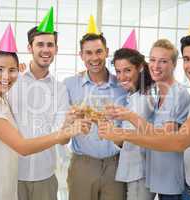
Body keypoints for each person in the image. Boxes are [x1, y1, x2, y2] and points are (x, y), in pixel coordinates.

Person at [99, 34, 190, 200]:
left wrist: (125, 129)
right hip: (187, 188)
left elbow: (176, 140)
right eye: (187, 59)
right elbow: (162, 134)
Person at [0, 47, 90, 200]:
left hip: (8, 184)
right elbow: (22, 147)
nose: (6, 76)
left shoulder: (2, 98)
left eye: (11, 70)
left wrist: (68, 124)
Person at [106, 39, 190, 200]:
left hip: (168, 180)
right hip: (156, 176)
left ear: (173, 64)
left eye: (163, 61)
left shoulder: (176, 94)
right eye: (153, 60)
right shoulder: (158, 93)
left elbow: (165, 138)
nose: (156, 65)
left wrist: (127, 119)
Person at [63, 33, 127, 200]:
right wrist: (71, 121)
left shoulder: (122, 85)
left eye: (99, 51)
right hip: (83, 164)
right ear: (81, 55)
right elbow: (61, 127)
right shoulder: (69, 84)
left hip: (116, 164)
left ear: (106, 52)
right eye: (88, 53)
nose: (94, 58)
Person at [110, 47, 153, 200]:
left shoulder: (146, 98)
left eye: (127, 70)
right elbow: (123, 141)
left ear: (140, 68)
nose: (122, 77)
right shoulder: (132, 96)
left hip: (140, 171)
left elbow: (150, 135)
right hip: (133, 170)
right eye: (118, 71)